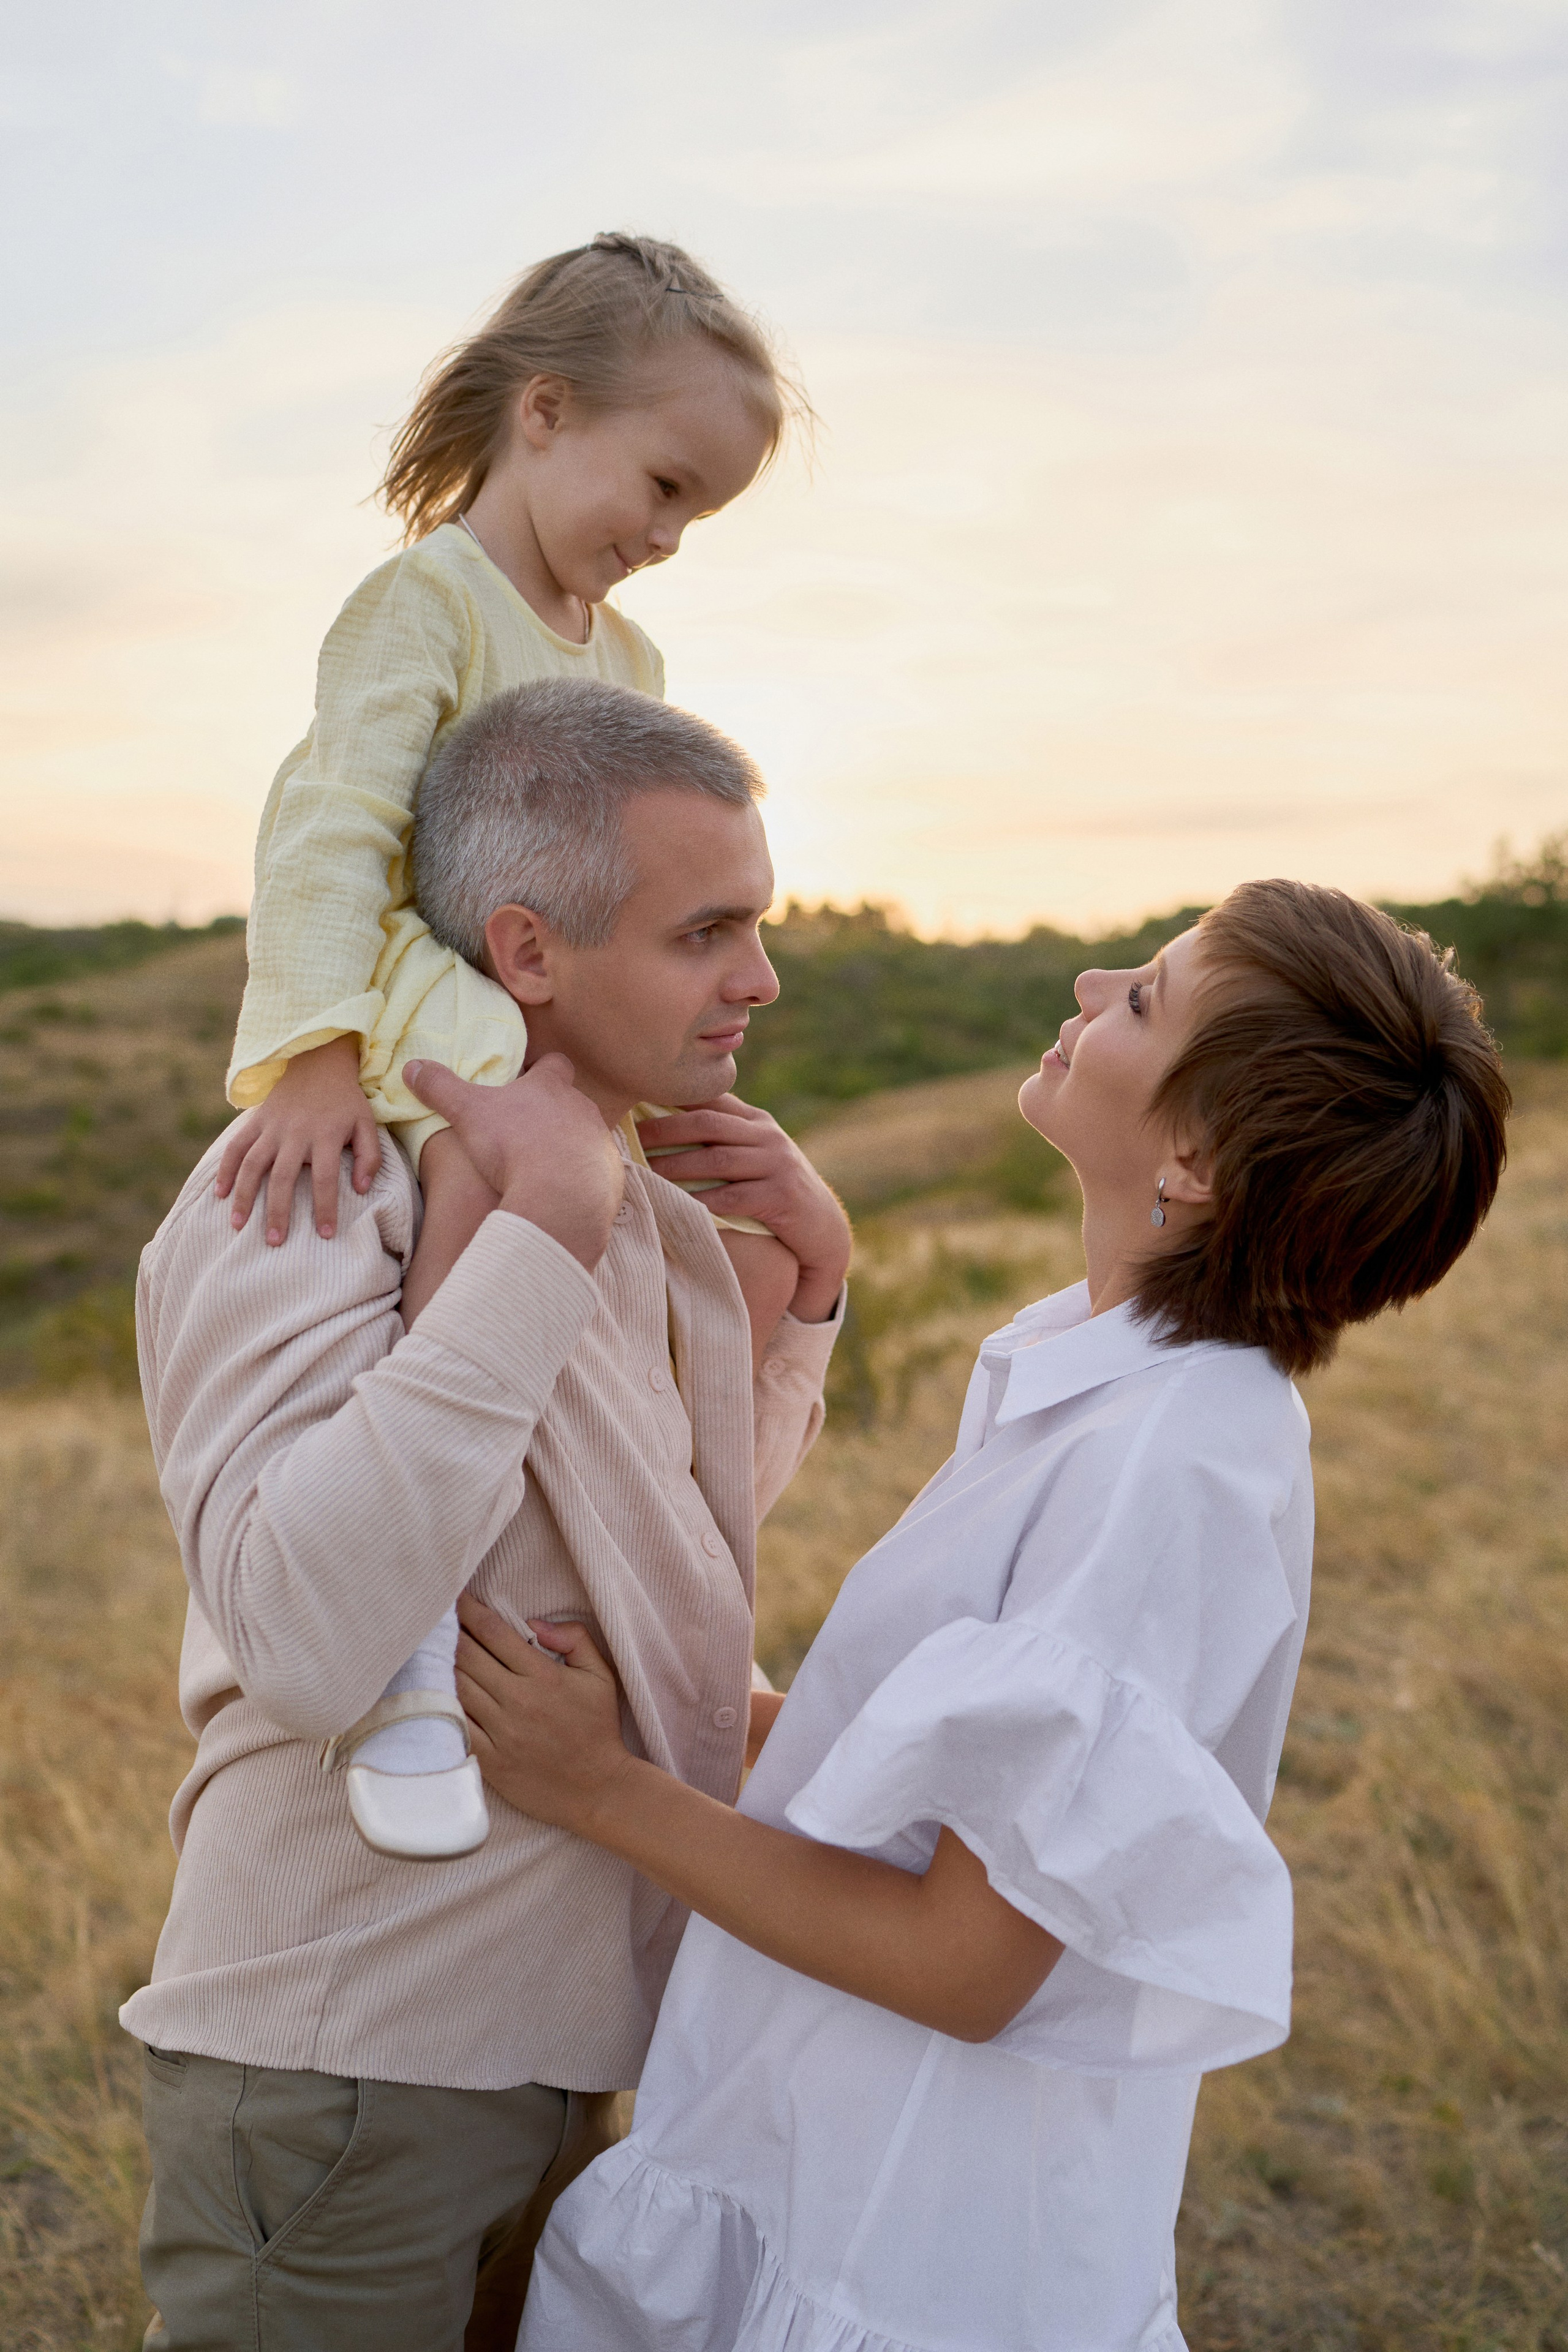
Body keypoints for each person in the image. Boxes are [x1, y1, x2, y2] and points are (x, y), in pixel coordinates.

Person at [453, 879, 1510, 2352]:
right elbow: (945, 1807)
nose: (1086, 986)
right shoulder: (1105, 1380)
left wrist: (599, 1790)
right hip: (812, 2148)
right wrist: (689, 1703)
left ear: (1197, 1158)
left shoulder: (1167, 1466)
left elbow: (963, 1965)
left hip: (903, 2231)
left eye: (1141, 997)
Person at [124, 682, 850, 2352]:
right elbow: (306, 1631)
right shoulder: (309, 1192)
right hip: (350, 2062)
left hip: (565, 2058)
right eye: (707, 932)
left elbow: (640, 1554)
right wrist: (542, 1235)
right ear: (527, 951)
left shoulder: (619, 1201)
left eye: (759, 924)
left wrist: (804, 1295)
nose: (760, 978)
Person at [209, 230, 808, 1856]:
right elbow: (333, 824)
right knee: (508, 1111)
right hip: (434, 984)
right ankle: (412, 1614)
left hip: (545, 1003)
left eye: (699, 516)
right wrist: (315, 1054)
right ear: (544, 412)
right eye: (664, 486)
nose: (668, 538)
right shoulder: (425, 600)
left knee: (605, 1166)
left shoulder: (631, 660)